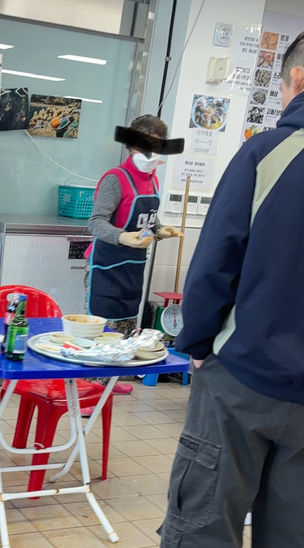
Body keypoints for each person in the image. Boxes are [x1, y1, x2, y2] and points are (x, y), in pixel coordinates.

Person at [156, 27, 304, 548]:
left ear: (296, 80)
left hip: (241, 381)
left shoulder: (268, 153)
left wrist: (194, 346)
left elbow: (214, 262)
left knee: (203, 527)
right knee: (289, 535)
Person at [86, 114, 183, 393]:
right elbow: (95, 222)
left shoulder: (152, 180)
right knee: (103, 333)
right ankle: (91, 389)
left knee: (127, 330)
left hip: (132, 268)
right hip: (106, 267)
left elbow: (148, 222)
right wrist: (121, 236)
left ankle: (111, 380)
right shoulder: (116, 179)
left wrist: (161, 231)